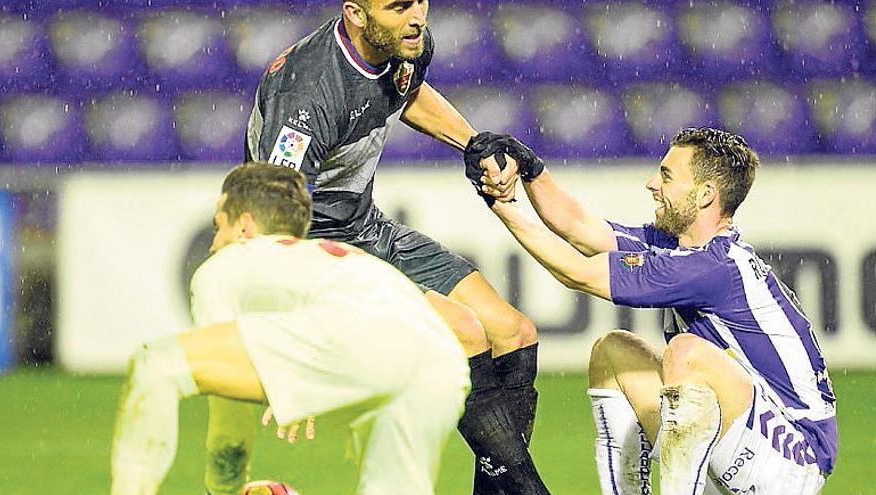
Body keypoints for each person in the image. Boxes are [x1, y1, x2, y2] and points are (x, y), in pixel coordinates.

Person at [235, 1, 548, 494]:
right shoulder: (307, 94)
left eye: (420, 1)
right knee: (465, 330)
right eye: (400, 6)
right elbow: (269, 226)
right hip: (314, 248)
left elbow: (408, 93)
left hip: (365, 227)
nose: (417, 16)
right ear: (357, 14)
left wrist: (471, 142)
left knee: (515, 332)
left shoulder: (405, 43)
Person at [465, 128, 837, 494]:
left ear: (705, 195)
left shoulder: (712, 267)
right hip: (744, 433)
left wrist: (502, 204)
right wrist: (532, 170)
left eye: (666, 175)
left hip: (794, 459)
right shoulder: (681, 247)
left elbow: (576, 272)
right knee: (613, 351)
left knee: (686, 354)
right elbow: (580, 228)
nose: (651, 184)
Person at [110, 163, 470, 495]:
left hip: (360, 338)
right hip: (442, 362)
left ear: (244, 227)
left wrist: (223, 488)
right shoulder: (331, 264)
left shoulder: (226, 265)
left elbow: (230, 429)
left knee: (156, 364)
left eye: (219, 226)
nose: (213, 243)